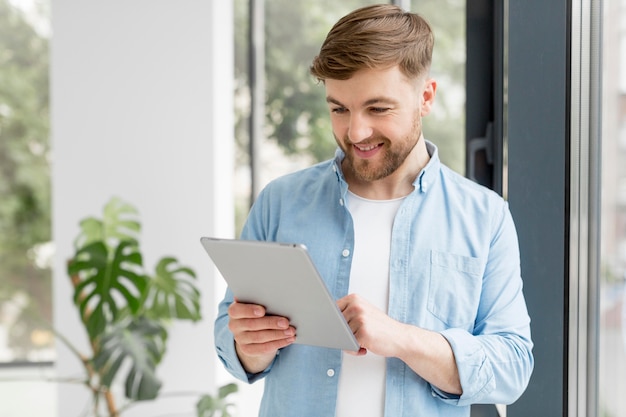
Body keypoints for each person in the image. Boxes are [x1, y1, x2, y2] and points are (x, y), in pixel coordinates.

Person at [214, 4, 533, 416]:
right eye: (339, 109)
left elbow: (512, 367)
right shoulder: (281, 201)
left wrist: (400, 338)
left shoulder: (485, 216)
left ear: (425, 97)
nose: (356, 132)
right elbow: (231, 340)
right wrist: (250, 345)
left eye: (378, 109)